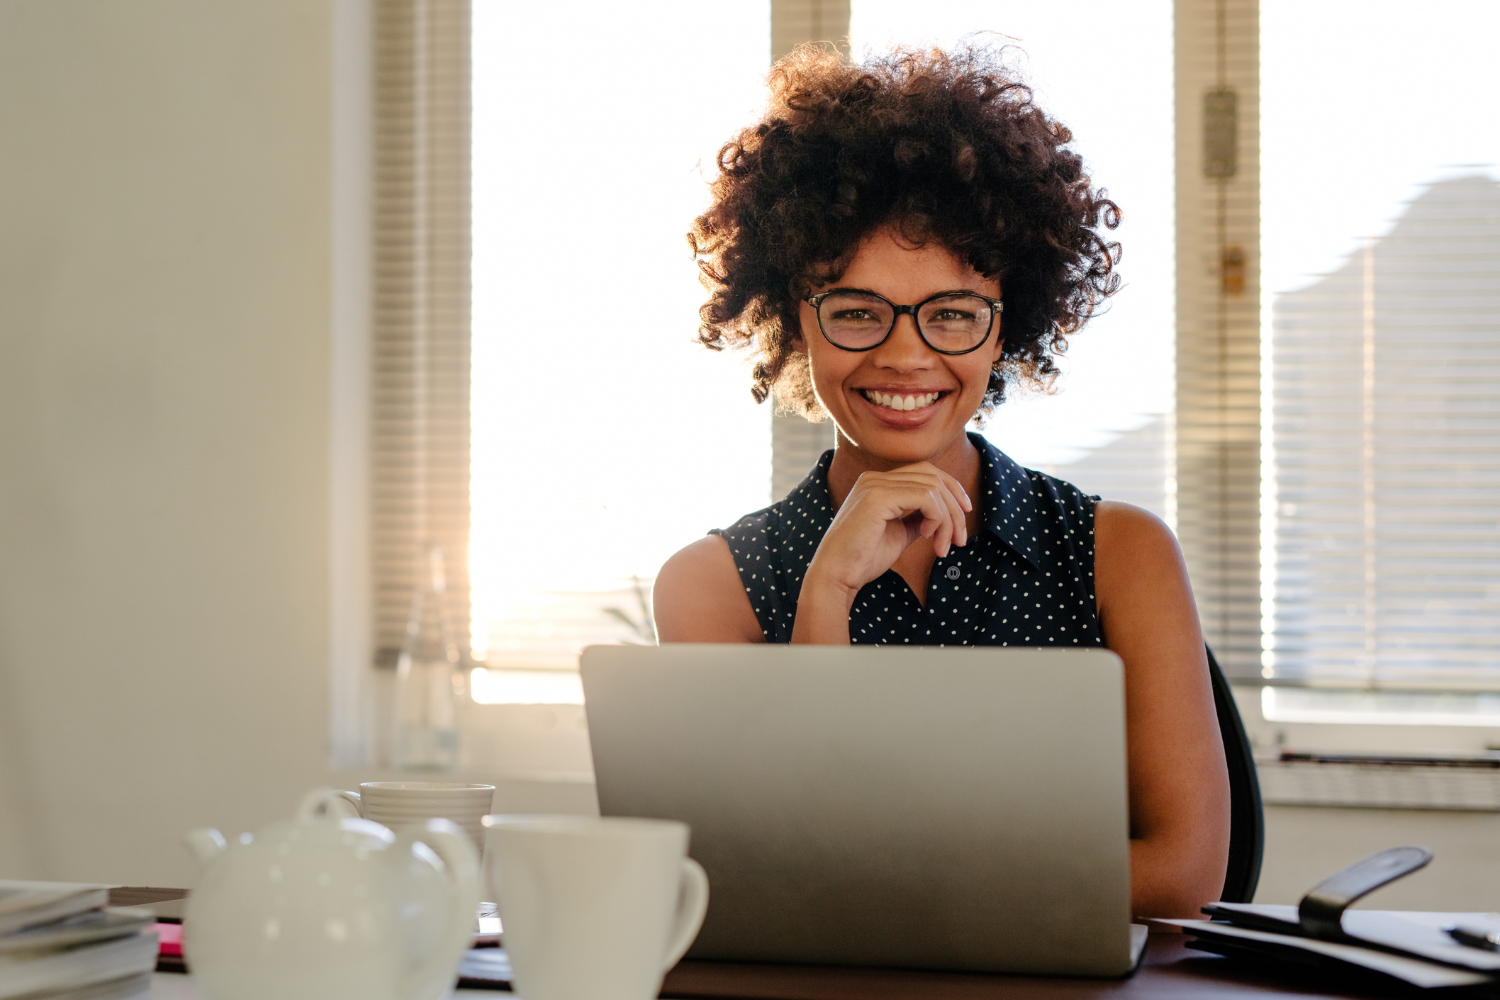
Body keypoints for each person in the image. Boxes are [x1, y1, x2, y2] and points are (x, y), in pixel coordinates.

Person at [652, 44, 1228, 920]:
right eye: (855, 310)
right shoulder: (710, 585)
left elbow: (1184, 873)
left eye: (953, 313)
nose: (905, 353)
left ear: (1009, 327)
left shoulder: (1123, 555)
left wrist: (893, 879)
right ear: (794, 322)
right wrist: (827, 596)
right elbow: (767, 863)